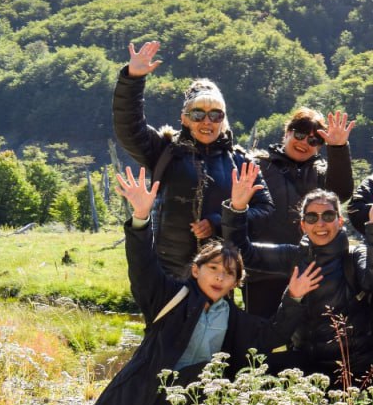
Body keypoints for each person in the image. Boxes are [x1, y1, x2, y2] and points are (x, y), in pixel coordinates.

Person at [93, 168, 322, 405]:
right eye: (213, 267)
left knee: (240, 374)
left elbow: (271, 337)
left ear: (235, 283)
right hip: (154, 395)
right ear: (196, 270)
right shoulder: (169, 297)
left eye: (228, 273)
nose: (219, 275)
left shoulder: (231, 317)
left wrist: (292, 297)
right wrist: (140, 218)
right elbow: (142, 266)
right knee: (209, 372)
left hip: (198, 396)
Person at [224, 163, 373, 385]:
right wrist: (237, 208)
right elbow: (242, 252)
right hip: (307, 370)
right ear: (303, 225)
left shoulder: (355, 254)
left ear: (340, 222)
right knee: (244, 370)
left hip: (357, 372)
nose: (320, 223)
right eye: (311, 218)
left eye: (328, 216)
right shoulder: (294, 257)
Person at [112, 41, 273, 278]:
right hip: (167, 269)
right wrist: (132, 79)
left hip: (219, 271)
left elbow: (265, 210)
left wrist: (219, 221)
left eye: (215, 115)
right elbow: (129, 128)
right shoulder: (166, 150)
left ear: (223, 119)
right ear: (185, 119)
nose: (207, 122)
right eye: (198, 114)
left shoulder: (240, 161)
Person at [243, 107, 356, 315]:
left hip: (311, 270)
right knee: (262, 336)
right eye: (300, 135)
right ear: (287, 133)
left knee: (307, 338)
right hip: (264, 269)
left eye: (314, 141)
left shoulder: (321, 173)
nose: (304, 143)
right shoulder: (258, 166)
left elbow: (341, 193)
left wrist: (338, 148)